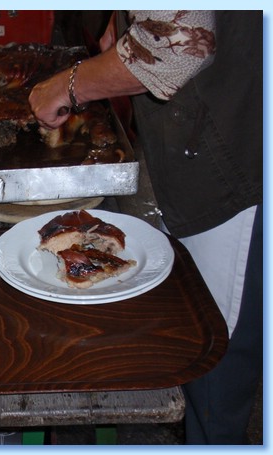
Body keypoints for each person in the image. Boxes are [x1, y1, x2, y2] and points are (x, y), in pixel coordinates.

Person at [29, 11, 262, 444]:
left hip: (235, 160)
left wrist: (69, 85)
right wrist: (125, 22)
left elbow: (175, 48)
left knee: (214, 354)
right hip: (200, 143)